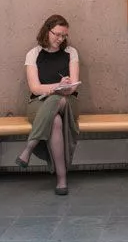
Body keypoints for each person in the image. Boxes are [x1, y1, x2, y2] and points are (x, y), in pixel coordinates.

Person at [16, 14, 80, 195]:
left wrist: (64, 88)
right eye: (57, 34)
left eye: (64, 36)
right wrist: (56, 87)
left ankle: (29, 148)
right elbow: (35, 89)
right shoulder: (33, 54)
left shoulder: (71, 53)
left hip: (68, 101)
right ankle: (62, 179)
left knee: (58, 99)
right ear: (47, 30)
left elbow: (73, 85)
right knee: (56, 122)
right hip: (38, 103)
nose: (60, 39)